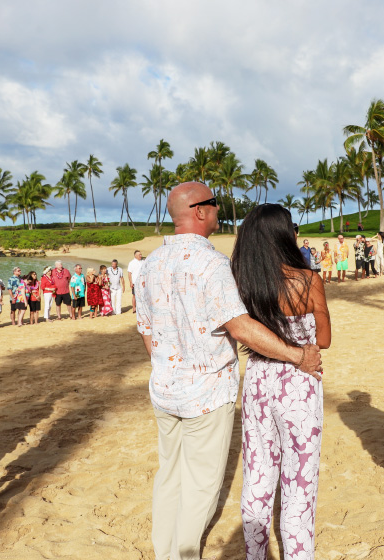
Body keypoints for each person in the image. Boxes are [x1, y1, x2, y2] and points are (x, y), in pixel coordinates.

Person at [135, 185, 322, 560]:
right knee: (201, 487)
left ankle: (164, 553)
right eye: (214, 204)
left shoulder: (150, 263)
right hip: (206, 392)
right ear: (199, 211)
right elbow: (240, 327)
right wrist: (297, 355)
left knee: (169, 475)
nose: (219, 210)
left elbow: (147, 331)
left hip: (164, 389)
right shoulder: (213, 264)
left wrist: (170, 366)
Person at [231, 204, 332, 559]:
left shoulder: (243, 282)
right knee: (299, 483)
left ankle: (255, 554)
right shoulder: (307, 279)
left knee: (257, 475)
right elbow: (324, 339)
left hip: (258, 378)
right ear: (284, 234)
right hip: (299, 381)